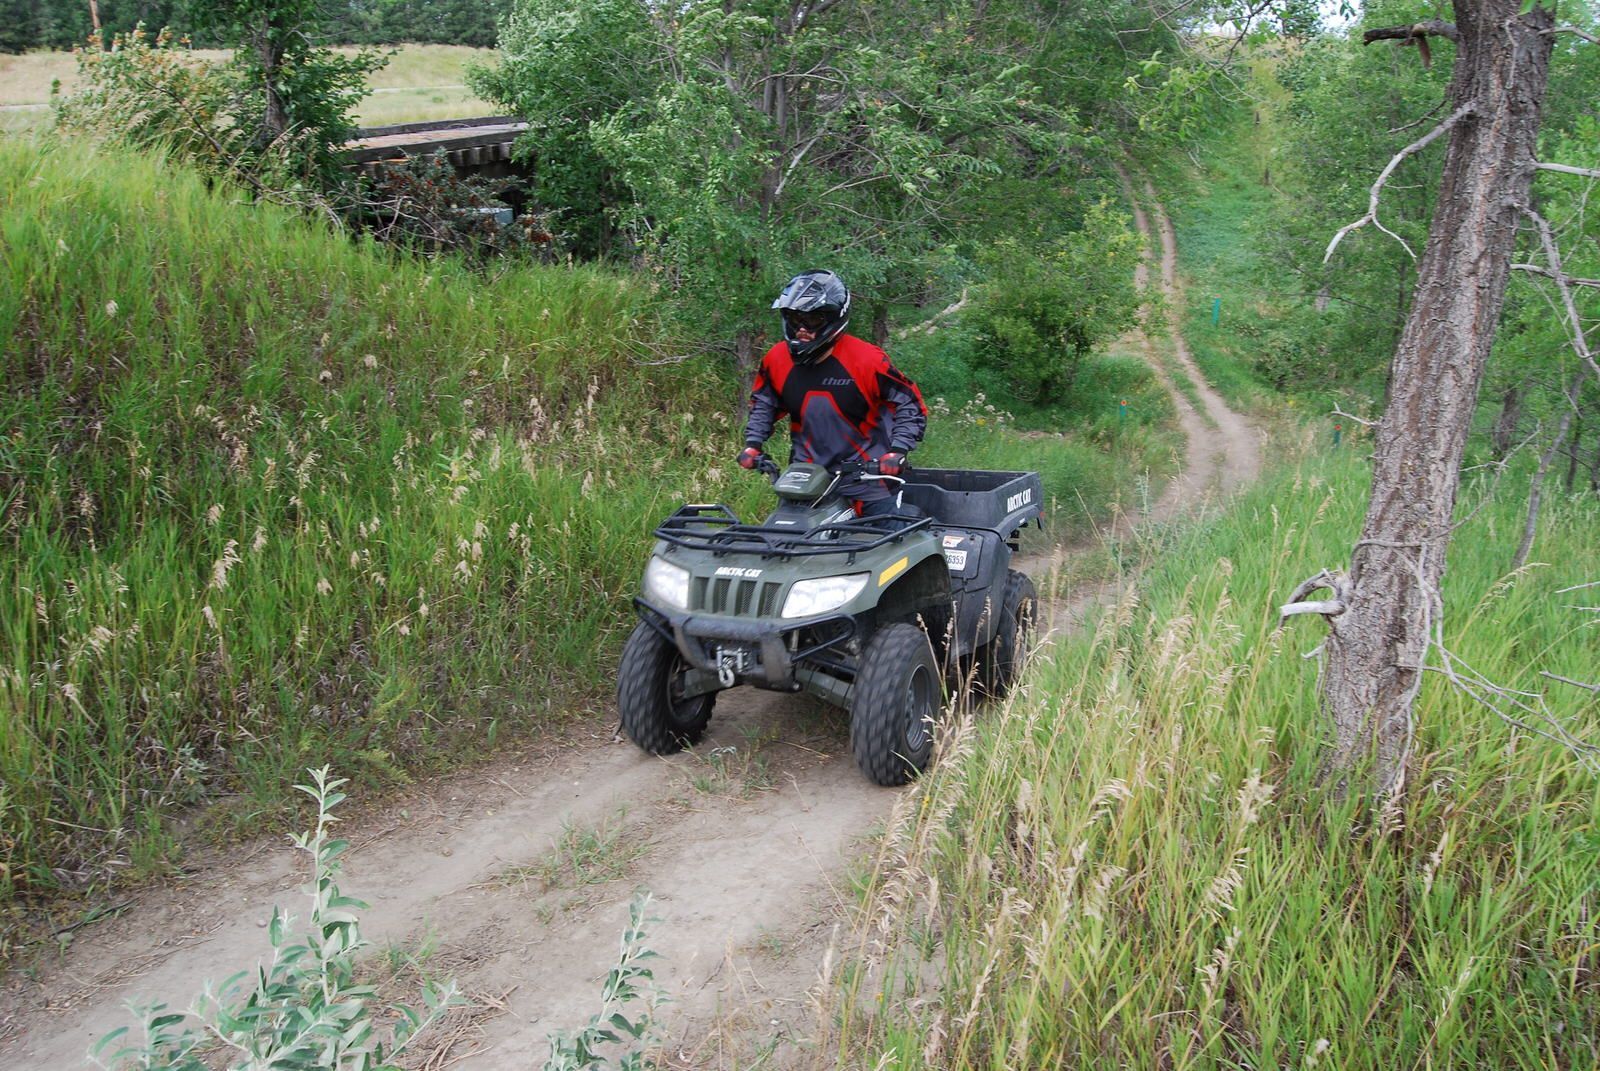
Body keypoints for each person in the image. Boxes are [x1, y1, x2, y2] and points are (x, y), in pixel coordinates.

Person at [738, 270, 928, 517]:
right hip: (806, 481)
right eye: (795, 319)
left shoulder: (867, 361)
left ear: (833, 319)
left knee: (887, 547)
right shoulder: (776, 359)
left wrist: (898, 450)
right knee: (784, 544)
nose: (802, 328)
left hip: (868, 481)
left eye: (813, 320)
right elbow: (765, 403)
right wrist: (753, 444)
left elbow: (909, 405)